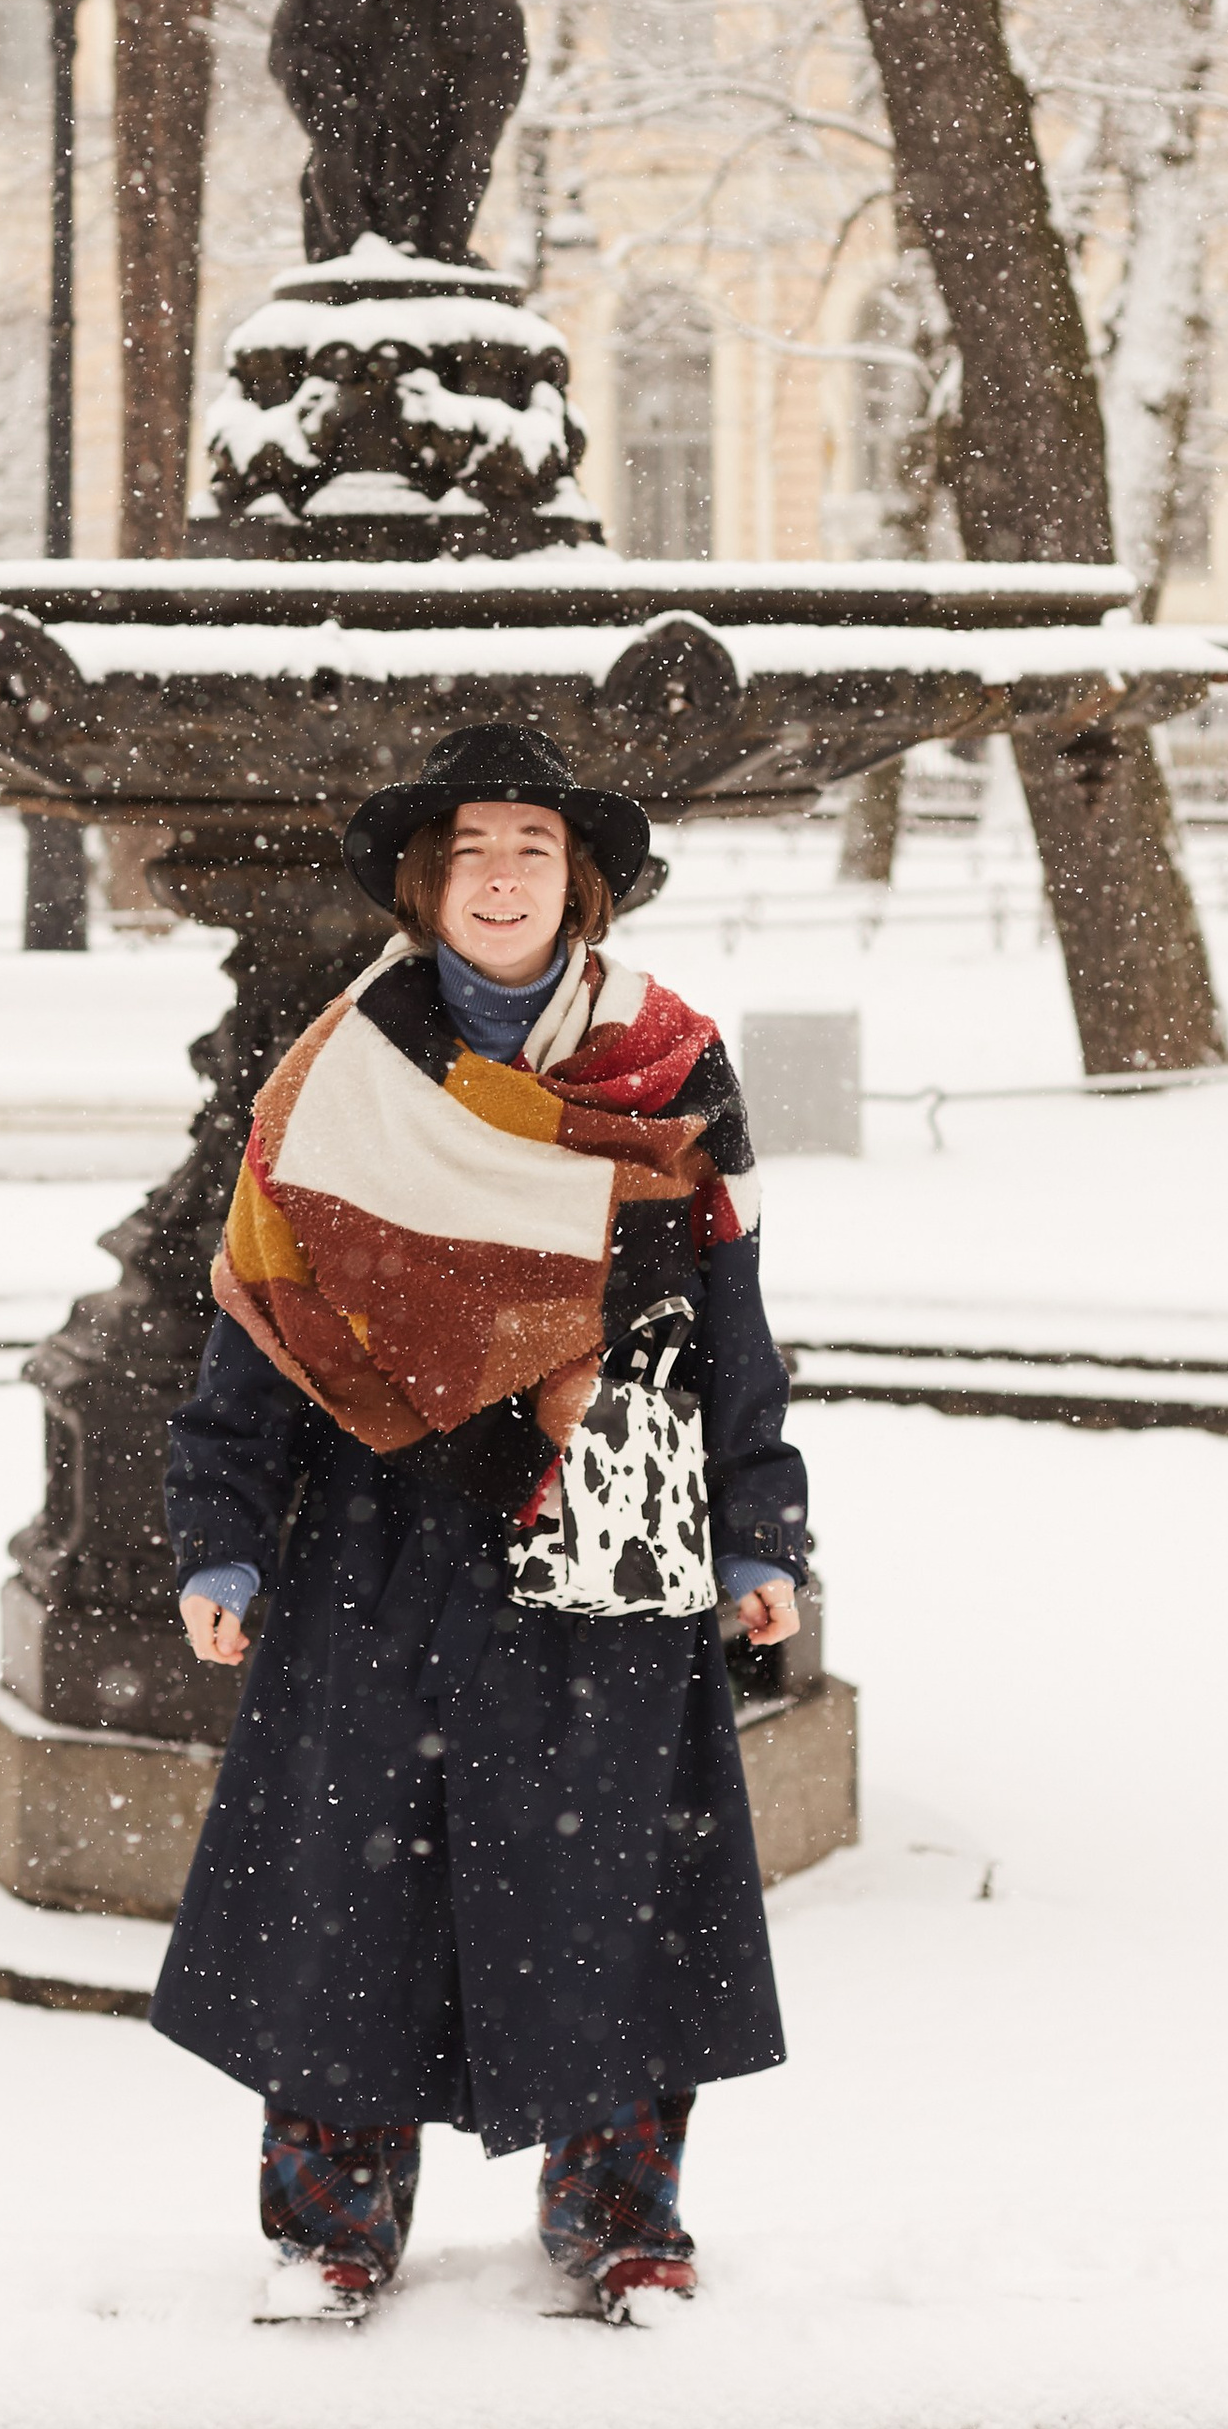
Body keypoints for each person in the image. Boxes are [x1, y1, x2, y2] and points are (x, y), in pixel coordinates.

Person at [147, 721, 811, 2323]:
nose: (500, 877)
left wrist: (761, 1531)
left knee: (614, 1894)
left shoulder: (667, 1062)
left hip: (613, 1515)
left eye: (529, 849)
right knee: (348, 1889)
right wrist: (222, 1531)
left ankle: (622, 2221)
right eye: (471, 852)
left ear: (574, 882)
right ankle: (332, 2227)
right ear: (426, 885)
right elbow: (262, 1316)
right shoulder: (335, 1076)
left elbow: (731, 1311)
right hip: (388, 1532)